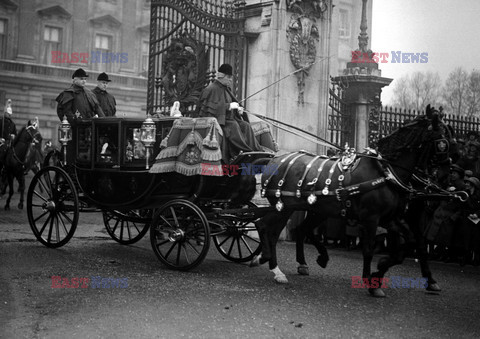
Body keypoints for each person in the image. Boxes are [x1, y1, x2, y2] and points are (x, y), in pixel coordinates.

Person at [195, 63, 262, 161]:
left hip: (230, 119)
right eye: (229, 77)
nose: (231, 79)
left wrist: (238, 110)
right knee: (234, 126)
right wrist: (228, 106)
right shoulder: (210, 89)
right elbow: (207, 110)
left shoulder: (227, 89)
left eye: (231, 77)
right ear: (221, 76)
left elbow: (231, 108)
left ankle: (255, 150)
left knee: (245, 125)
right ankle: (243, 151)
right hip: (220, 123)